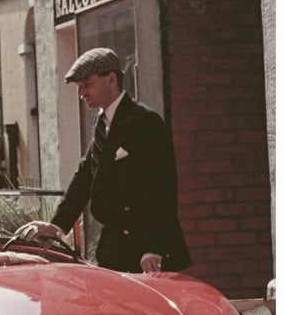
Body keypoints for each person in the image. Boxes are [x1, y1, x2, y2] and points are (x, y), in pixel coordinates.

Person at [14, 47, 190, 273]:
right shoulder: (102, 122)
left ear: (111, 79)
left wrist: (153, 247)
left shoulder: (145, 121)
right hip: (115, 247)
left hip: (146, 252)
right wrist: (57, 225)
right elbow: (85, 176)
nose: (82, 93)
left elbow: (160, 190)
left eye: (87, 84)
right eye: (79, 87)